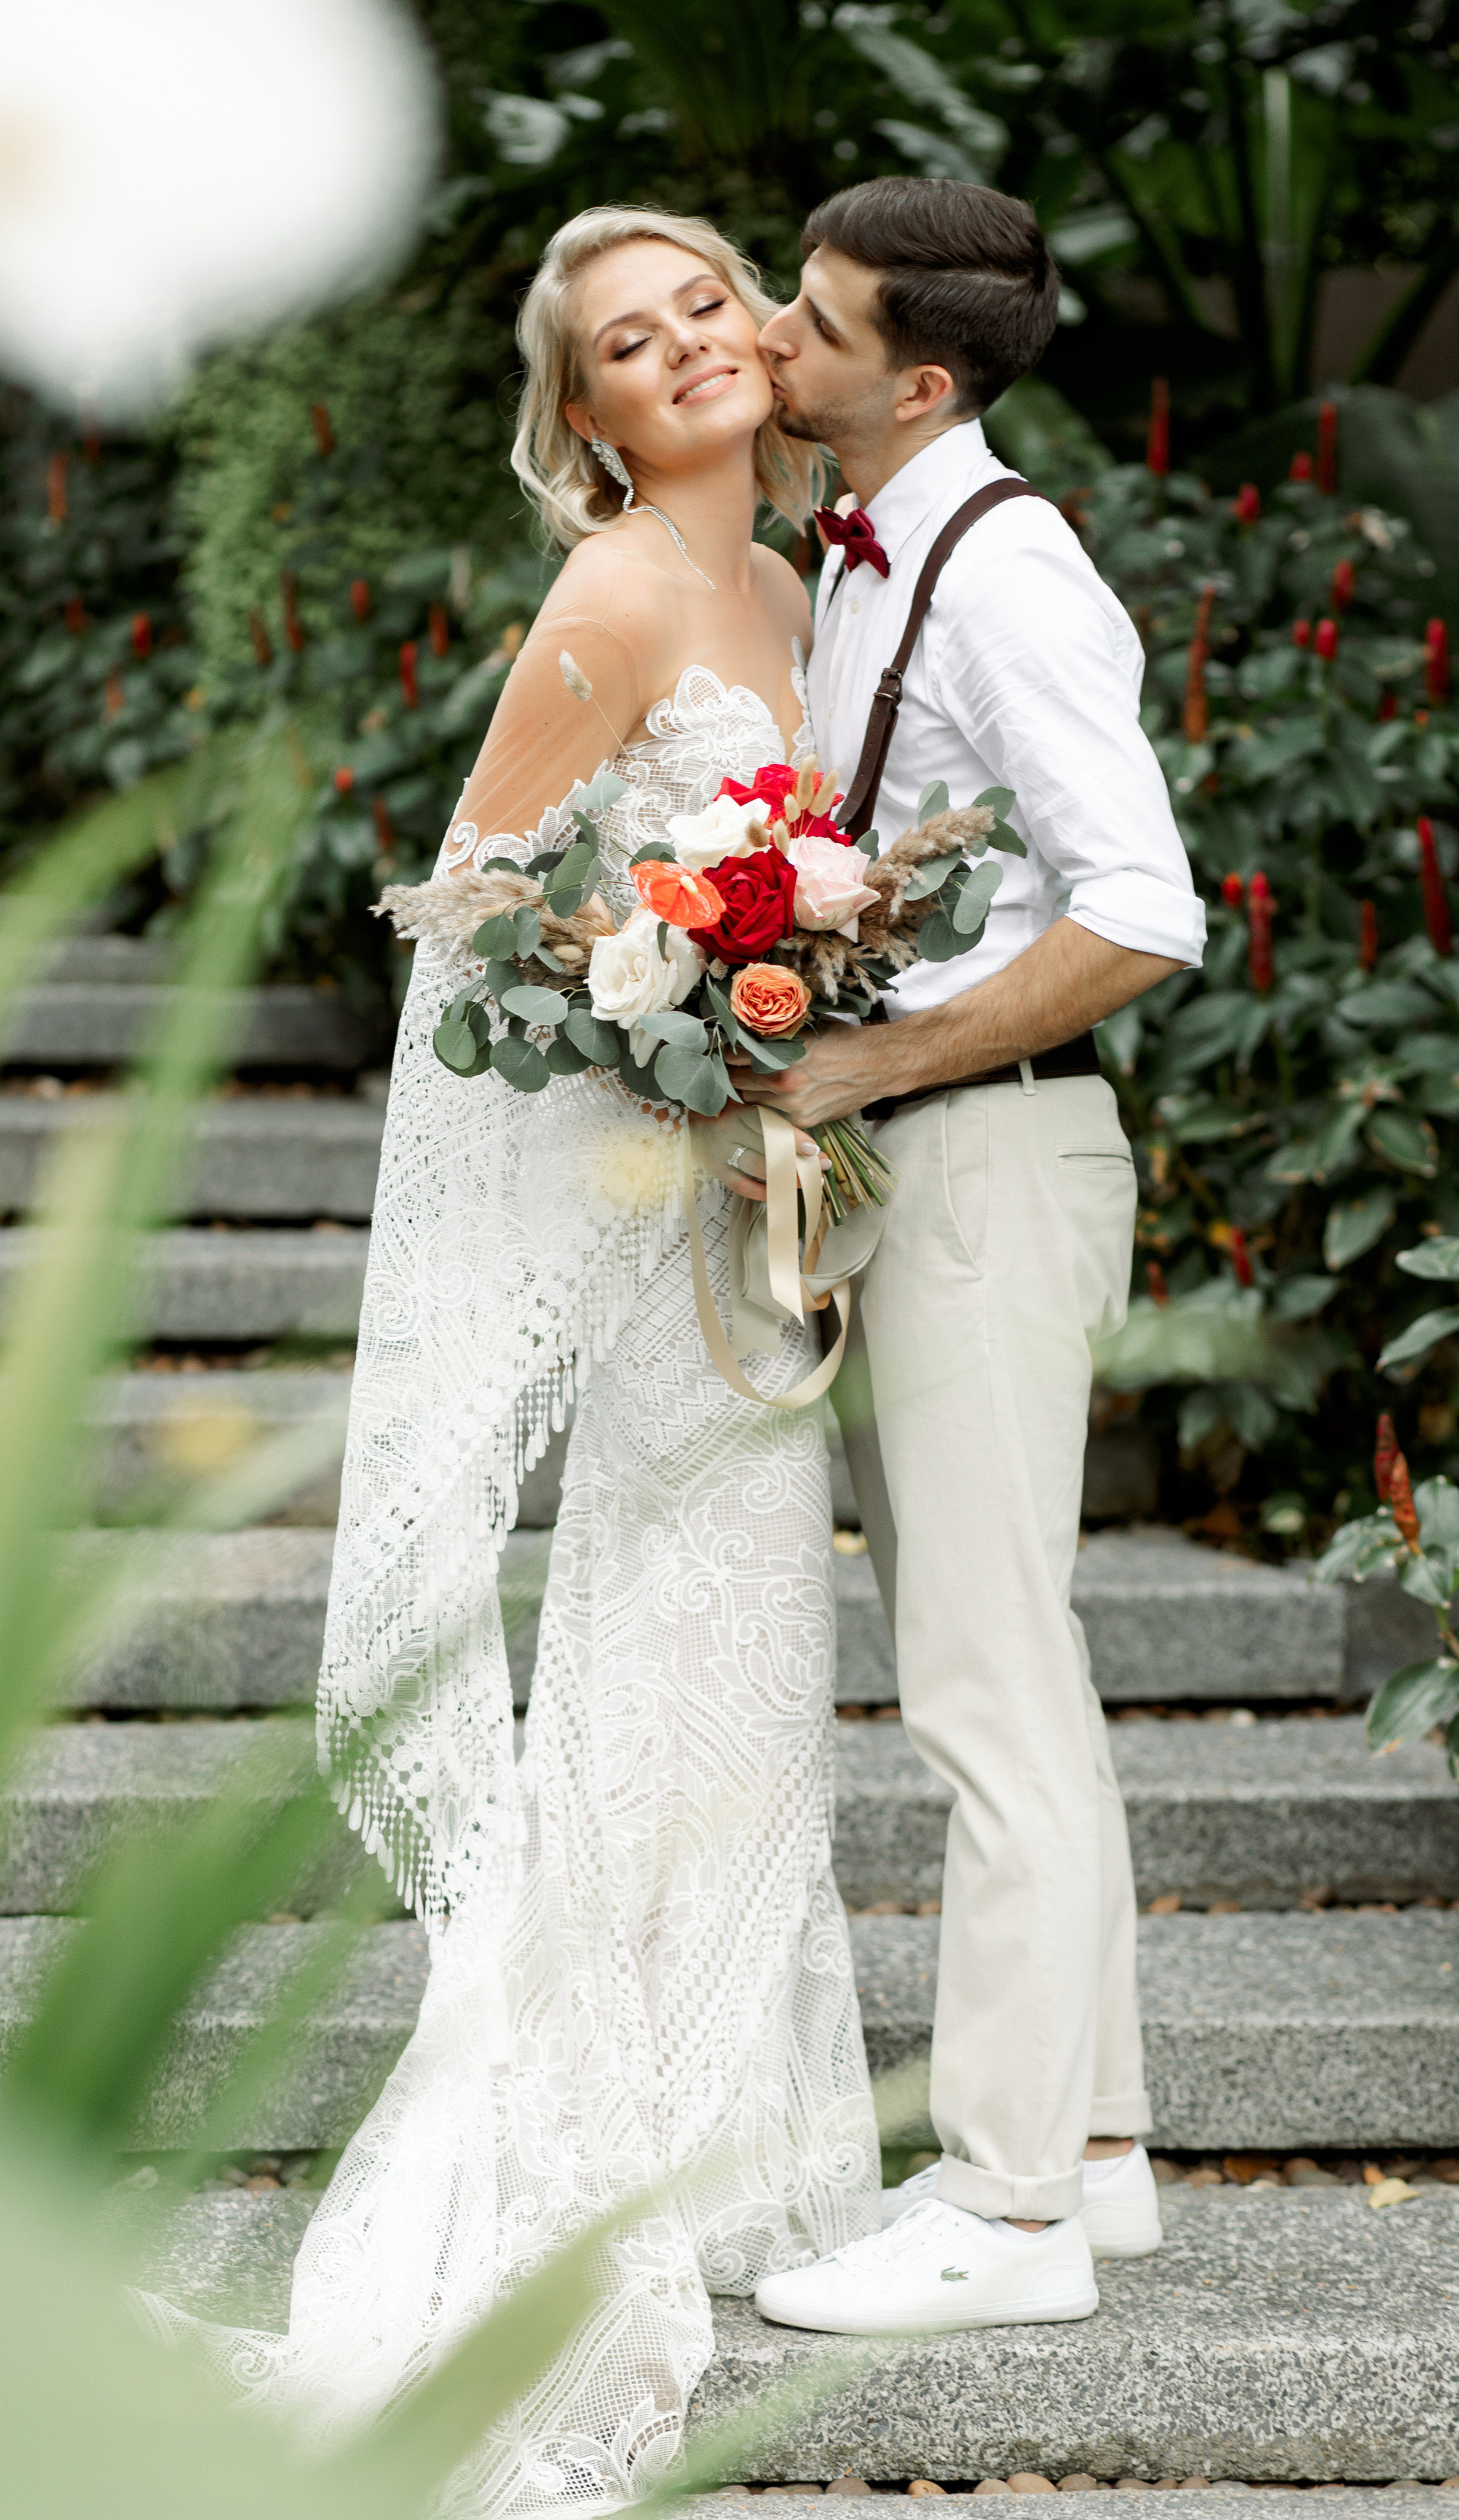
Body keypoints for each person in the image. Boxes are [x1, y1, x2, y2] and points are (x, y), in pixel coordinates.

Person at [189, 207, 880, 2513]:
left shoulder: (792, 586)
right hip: (654, 1196)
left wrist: (779, 1011)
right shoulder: (619, 596)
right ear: (581, 414)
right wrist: (654, 1003)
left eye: (699, 309)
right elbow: (467, 897)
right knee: (659, 1641)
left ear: (757, 337)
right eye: (625, 343)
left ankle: (727, 2131)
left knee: (751, 1647)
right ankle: (598, 2156)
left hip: (766, 1196)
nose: (679, 350)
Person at [744, 176, 1206, 2339]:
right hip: (940, 1160)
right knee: (1013, 1666)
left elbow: (1142, 909)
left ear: (918, 383)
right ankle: (1092, 2151)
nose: (770, 334)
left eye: (811, 320)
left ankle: (1007, 2214)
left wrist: (881, 1061)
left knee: (979, 1694)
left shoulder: (1005, 574)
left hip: (992, 1158)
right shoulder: (873, 544)